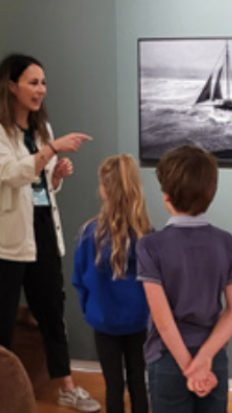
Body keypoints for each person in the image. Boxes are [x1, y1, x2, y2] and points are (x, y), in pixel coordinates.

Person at [0, 53, 99, 411]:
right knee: (3, 318)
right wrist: (52, 150)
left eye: (43, 82)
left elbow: (39, 188)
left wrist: (55, 177)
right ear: (11, 87)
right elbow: (10, 174)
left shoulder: (43, 129)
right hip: (8, 242)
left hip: (42, 230)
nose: (40, 89)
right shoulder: (2, 131)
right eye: (32, 82)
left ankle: (66, 387)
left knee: (53, 313)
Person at [136, 145, 232, 413]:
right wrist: (204, 360)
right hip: (213, 357)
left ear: (166, 196)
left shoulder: (150, 246)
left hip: (168, 360)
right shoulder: (226, 242)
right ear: (211, 192)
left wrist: (190, 367)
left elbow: (163, 321)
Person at [72, 154, 152, 413]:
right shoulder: (148, 235)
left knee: (113, 384)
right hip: (139, 322)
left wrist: (90, 310)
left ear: (105, 190)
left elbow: (79, 280)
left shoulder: (88, 234)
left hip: (103, 322)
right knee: (139, 382)